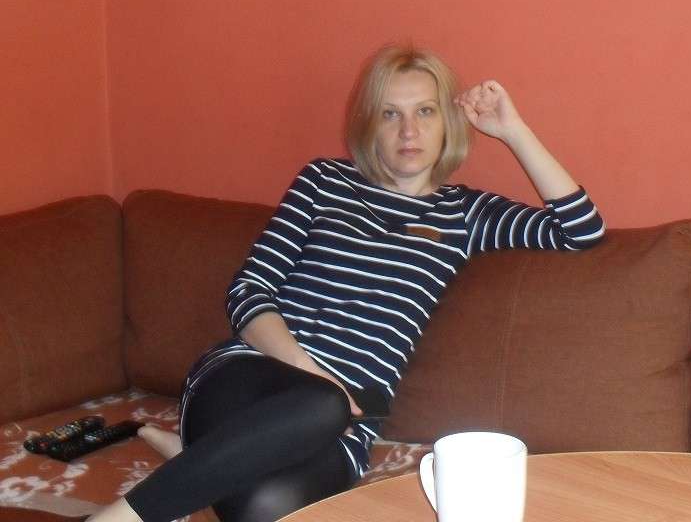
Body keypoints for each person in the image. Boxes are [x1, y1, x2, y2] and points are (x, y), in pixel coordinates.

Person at [88, 44, 605, 522]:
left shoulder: (465, 215)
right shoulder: (324, 182)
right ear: (369, 124)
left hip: (344, 426)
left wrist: (511, 129)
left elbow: (581, 229)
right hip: (248, 377)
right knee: (322, 402)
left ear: (447, 122)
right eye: (390, 114)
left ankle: (200, 464)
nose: (409, 131)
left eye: (425, 111)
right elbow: (247, 291)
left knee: (265, 508)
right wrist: (310, 373)